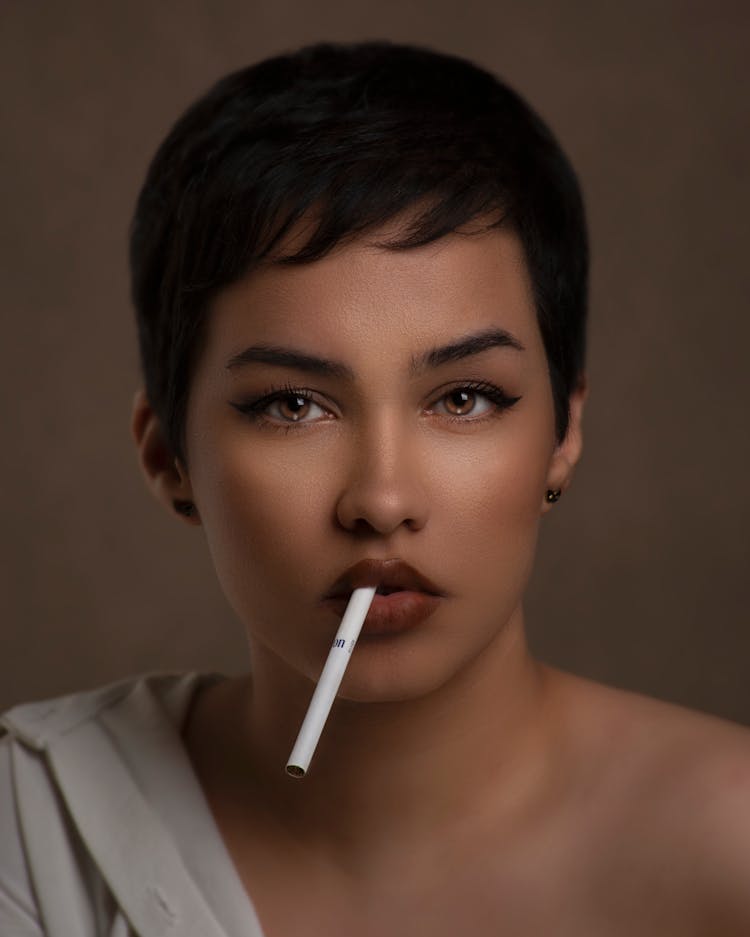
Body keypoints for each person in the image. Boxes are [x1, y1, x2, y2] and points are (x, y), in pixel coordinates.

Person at [2, 40, 749, 937]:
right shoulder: (29, 834)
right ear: (169, 457)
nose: (382, 498)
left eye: (465, 397)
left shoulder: (727, 850)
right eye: (292, 404)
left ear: (564, 432)